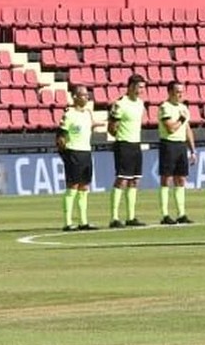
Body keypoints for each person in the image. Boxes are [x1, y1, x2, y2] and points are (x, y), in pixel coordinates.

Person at [56, 83, 98, 231]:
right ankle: (67, 222)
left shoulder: (87, 113)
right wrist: (65, 153)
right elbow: (60, 136)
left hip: (86, 152)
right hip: (73, 152)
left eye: (87, 95)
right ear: (75, 97)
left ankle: (83, 221)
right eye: (83, 95)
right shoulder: (69, 114)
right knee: (72, 186)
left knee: (84, 187)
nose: (86, 97)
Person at [107, 74, 146, 229]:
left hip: (136, 144)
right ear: (130, 86)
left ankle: (131, 216)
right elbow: (111, 127)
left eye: (143, 87)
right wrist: (120, 137)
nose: (141, 90)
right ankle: (114, 217)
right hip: (124, 144)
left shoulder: (140, 104)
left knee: (135, 180)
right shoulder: (120, 104)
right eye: (139, 87)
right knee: (121, 179)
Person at [156, 80, 194, 225]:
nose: (180, 94)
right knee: (166, 178)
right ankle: (165, 214)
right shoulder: (165, 107)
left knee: (181, 178)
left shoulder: (184, 107)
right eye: (177, 92)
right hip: (168, 144)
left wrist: (192, 149)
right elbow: (170, 128)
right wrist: (181, 119)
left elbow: (187, 129)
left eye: (182, 92)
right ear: (170, 92)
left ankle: (181, 213)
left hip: (180, 145)